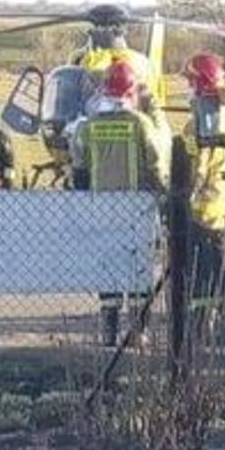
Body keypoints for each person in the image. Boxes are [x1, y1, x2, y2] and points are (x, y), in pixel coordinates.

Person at [70, 61, 165, 346]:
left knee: (108, 270)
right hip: (135, 209)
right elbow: (156, 164)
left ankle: (109, 333)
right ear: (132, 92)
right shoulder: (140, 124)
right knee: (137, 270)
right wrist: (162, 194)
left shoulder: (88, 127)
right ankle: (138, 333)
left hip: (102, 210)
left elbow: (79, 169)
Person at [180, 52, 225, 311]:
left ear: (199, 83)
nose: (187, 87)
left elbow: (198, 165)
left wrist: (188, 195)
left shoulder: (195, 124)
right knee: (220, 271)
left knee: (199, 275)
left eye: (190, 82)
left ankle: (198, 324)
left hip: (202, 210)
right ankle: (218, 318)